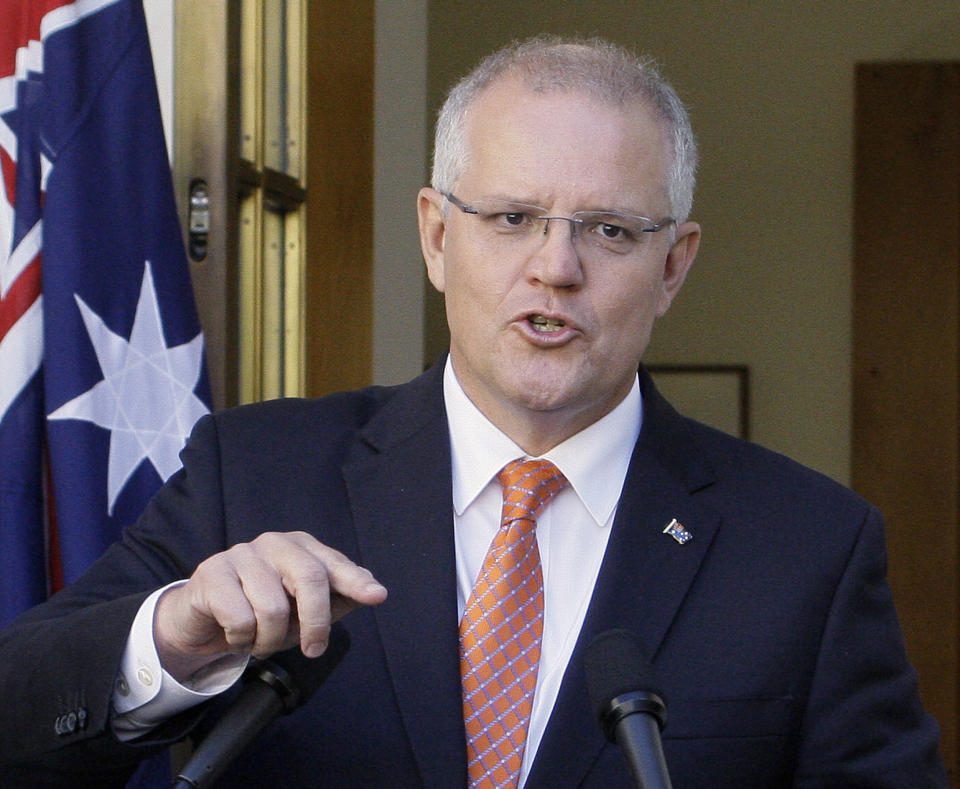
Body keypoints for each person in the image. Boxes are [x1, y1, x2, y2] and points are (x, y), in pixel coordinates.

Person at [0, 35, 947, 788]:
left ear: (675, 264)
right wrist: (173, 638)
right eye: (511, 218)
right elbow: (17, 713)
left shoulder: (810, 547)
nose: (556, 267)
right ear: (437, 236)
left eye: (610, 230)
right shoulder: (251, 473)